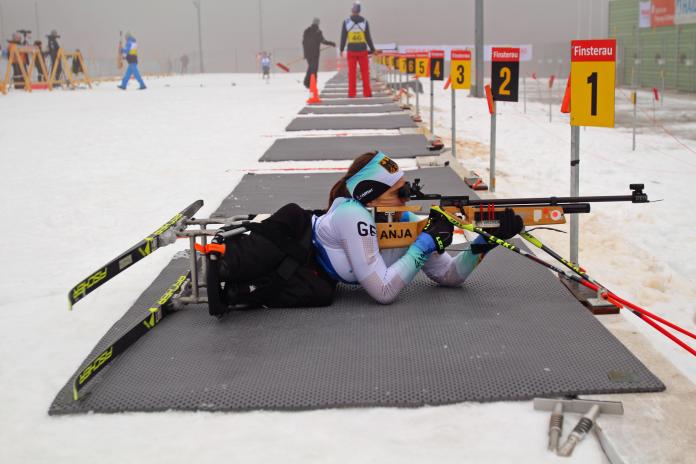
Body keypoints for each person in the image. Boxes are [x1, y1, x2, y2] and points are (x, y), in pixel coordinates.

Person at [312, 152, 523, 304]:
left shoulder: (402, 219)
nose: (406, 198)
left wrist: (485, 242)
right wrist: (424, 244)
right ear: (371, 199)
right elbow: (383, 291)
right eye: (398, 192)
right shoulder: (351, 214)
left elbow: (449, 275)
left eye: (406, 189)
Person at [339, 1, 376, 98]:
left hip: (351, 51)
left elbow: (343, 37)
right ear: (359, 11)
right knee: (365, 72)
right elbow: (368, 37)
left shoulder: (346, 22)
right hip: (362, 51)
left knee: (352, 73)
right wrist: (373, 49)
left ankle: (352, 93)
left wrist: (341, 49)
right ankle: (367, 93)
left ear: (352, 10)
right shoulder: (364, 22)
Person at [302, 17, 336, 89]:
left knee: (311, 67)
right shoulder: (318, 32)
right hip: (315, 54)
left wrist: (305, 53)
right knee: (314, 69)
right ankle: (312, 84)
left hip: (308, 53)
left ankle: (306, 83)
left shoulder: (306, 31)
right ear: (318, 23)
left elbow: (303, 42)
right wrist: (331, 43)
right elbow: (323, 41)